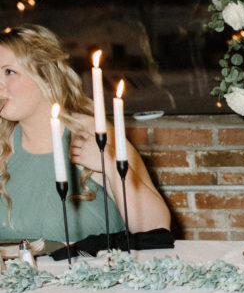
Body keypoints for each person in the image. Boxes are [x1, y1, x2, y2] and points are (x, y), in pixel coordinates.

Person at [0, 25, 171, 242]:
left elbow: (155, 229)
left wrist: (110, 163)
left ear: (47, 78)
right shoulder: (3, 145)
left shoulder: (91, 134)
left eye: (9, 72)